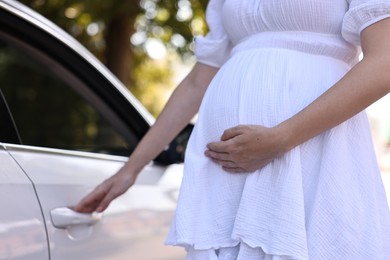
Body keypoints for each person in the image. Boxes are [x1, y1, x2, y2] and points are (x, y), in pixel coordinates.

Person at [75, 0, 390, 259]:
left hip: (311, 154)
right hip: (226, 177)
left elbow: (384, 62)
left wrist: (280, 139)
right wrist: (131, 169)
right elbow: (199, 80)